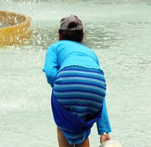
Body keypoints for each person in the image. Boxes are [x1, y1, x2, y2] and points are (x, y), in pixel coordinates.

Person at [43, 15, 112, 146]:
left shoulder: (55, 47)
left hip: (66, 84)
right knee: (83, 126)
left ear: (59, 35)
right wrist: (104, 131)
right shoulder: (90, 53)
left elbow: (50, 73)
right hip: (97, 87)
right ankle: (101, 135)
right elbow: (98, 91)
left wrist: (64, 87)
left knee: (63, 122)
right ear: (82, 36)